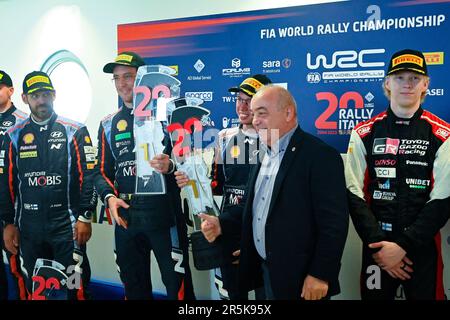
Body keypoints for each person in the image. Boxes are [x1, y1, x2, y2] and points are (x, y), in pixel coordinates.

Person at [345, 49, 450, 300]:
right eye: (399, 77)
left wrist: (403, 246)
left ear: (425, 84)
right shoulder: (363, 133)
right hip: (377, 247)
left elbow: (443, 199)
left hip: (422, 250)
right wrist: (382, 248)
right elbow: (353, 194)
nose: (407, 84)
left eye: (414, 78)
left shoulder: (442, 135)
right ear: (387, 84)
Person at [95, 51, 195, 300]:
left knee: (178, 289)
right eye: (117, 78)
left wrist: (171, 165)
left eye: (128, 76)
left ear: (144, 80)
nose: (122, 84)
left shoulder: (169, 114)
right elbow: (100, 172)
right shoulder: (108, 123)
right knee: (134, 288)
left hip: (164, 211)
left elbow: (190, 164)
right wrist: (109, 198)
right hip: (126, 215)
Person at [238, 85, 349, 300]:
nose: (255, 121)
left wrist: (320, 274)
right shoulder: (262, 154)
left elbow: (334, 224)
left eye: (262, 113)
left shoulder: (320, 156)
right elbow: (258, 207)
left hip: (301, 281)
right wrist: (221, 223)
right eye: (254, 114)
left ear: (288, 113)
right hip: (265, 273)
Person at [0, 71, 96, 300]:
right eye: (35, 96)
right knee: (34, 291)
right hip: (29, 230)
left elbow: (89, 176)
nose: (41, 100)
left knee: (75, 288)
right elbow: (6, 183)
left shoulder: (75, 129)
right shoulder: (13, 135)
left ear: (54, 95)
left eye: (45, 94)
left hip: (68, 229)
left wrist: (85, 217)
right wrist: (8, 223)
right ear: (24, 98)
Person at [175, 74, 271, 300]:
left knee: (265, 295)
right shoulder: (224, 136)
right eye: (239, 99)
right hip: (228, 226)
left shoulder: (274, 139)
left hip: (260, 231)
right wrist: (191, 181)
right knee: (231, 296)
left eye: (250, 100)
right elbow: (216, 184)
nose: (243, 106)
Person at [0, 70, 27, 300]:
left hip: (14, 211)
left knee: (16, 270)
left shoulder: (22, 122)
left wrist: (11, 218)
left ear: (10, 91)